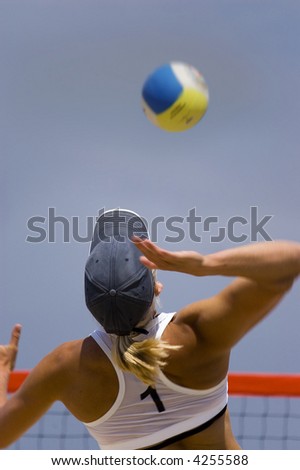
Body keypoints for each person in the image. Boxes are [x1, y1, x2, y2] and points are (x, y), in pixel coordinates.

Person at [0, 208, 299, 450]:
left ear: (90, 300)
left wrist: (3, 377)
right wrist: (206, 264)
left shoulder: (67, 366)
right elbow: (290, 263)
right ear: (156, 285)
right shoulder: (195, 334)